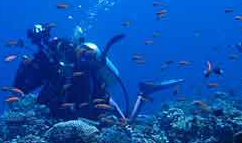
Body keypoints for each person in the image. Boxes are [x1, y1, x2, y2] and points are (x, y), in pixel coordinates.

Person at [13, 24, 182, 121]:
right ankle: (143, 93)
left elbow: (89, 74)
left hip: (92, 96)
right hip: (85, 99)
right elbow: (23, 90)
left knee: (126, 124)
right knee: (123, 121)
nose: (44, 43)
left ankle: (142, 94)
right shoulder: (43, 60)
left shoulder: (66, 48)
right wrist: (23, 71)